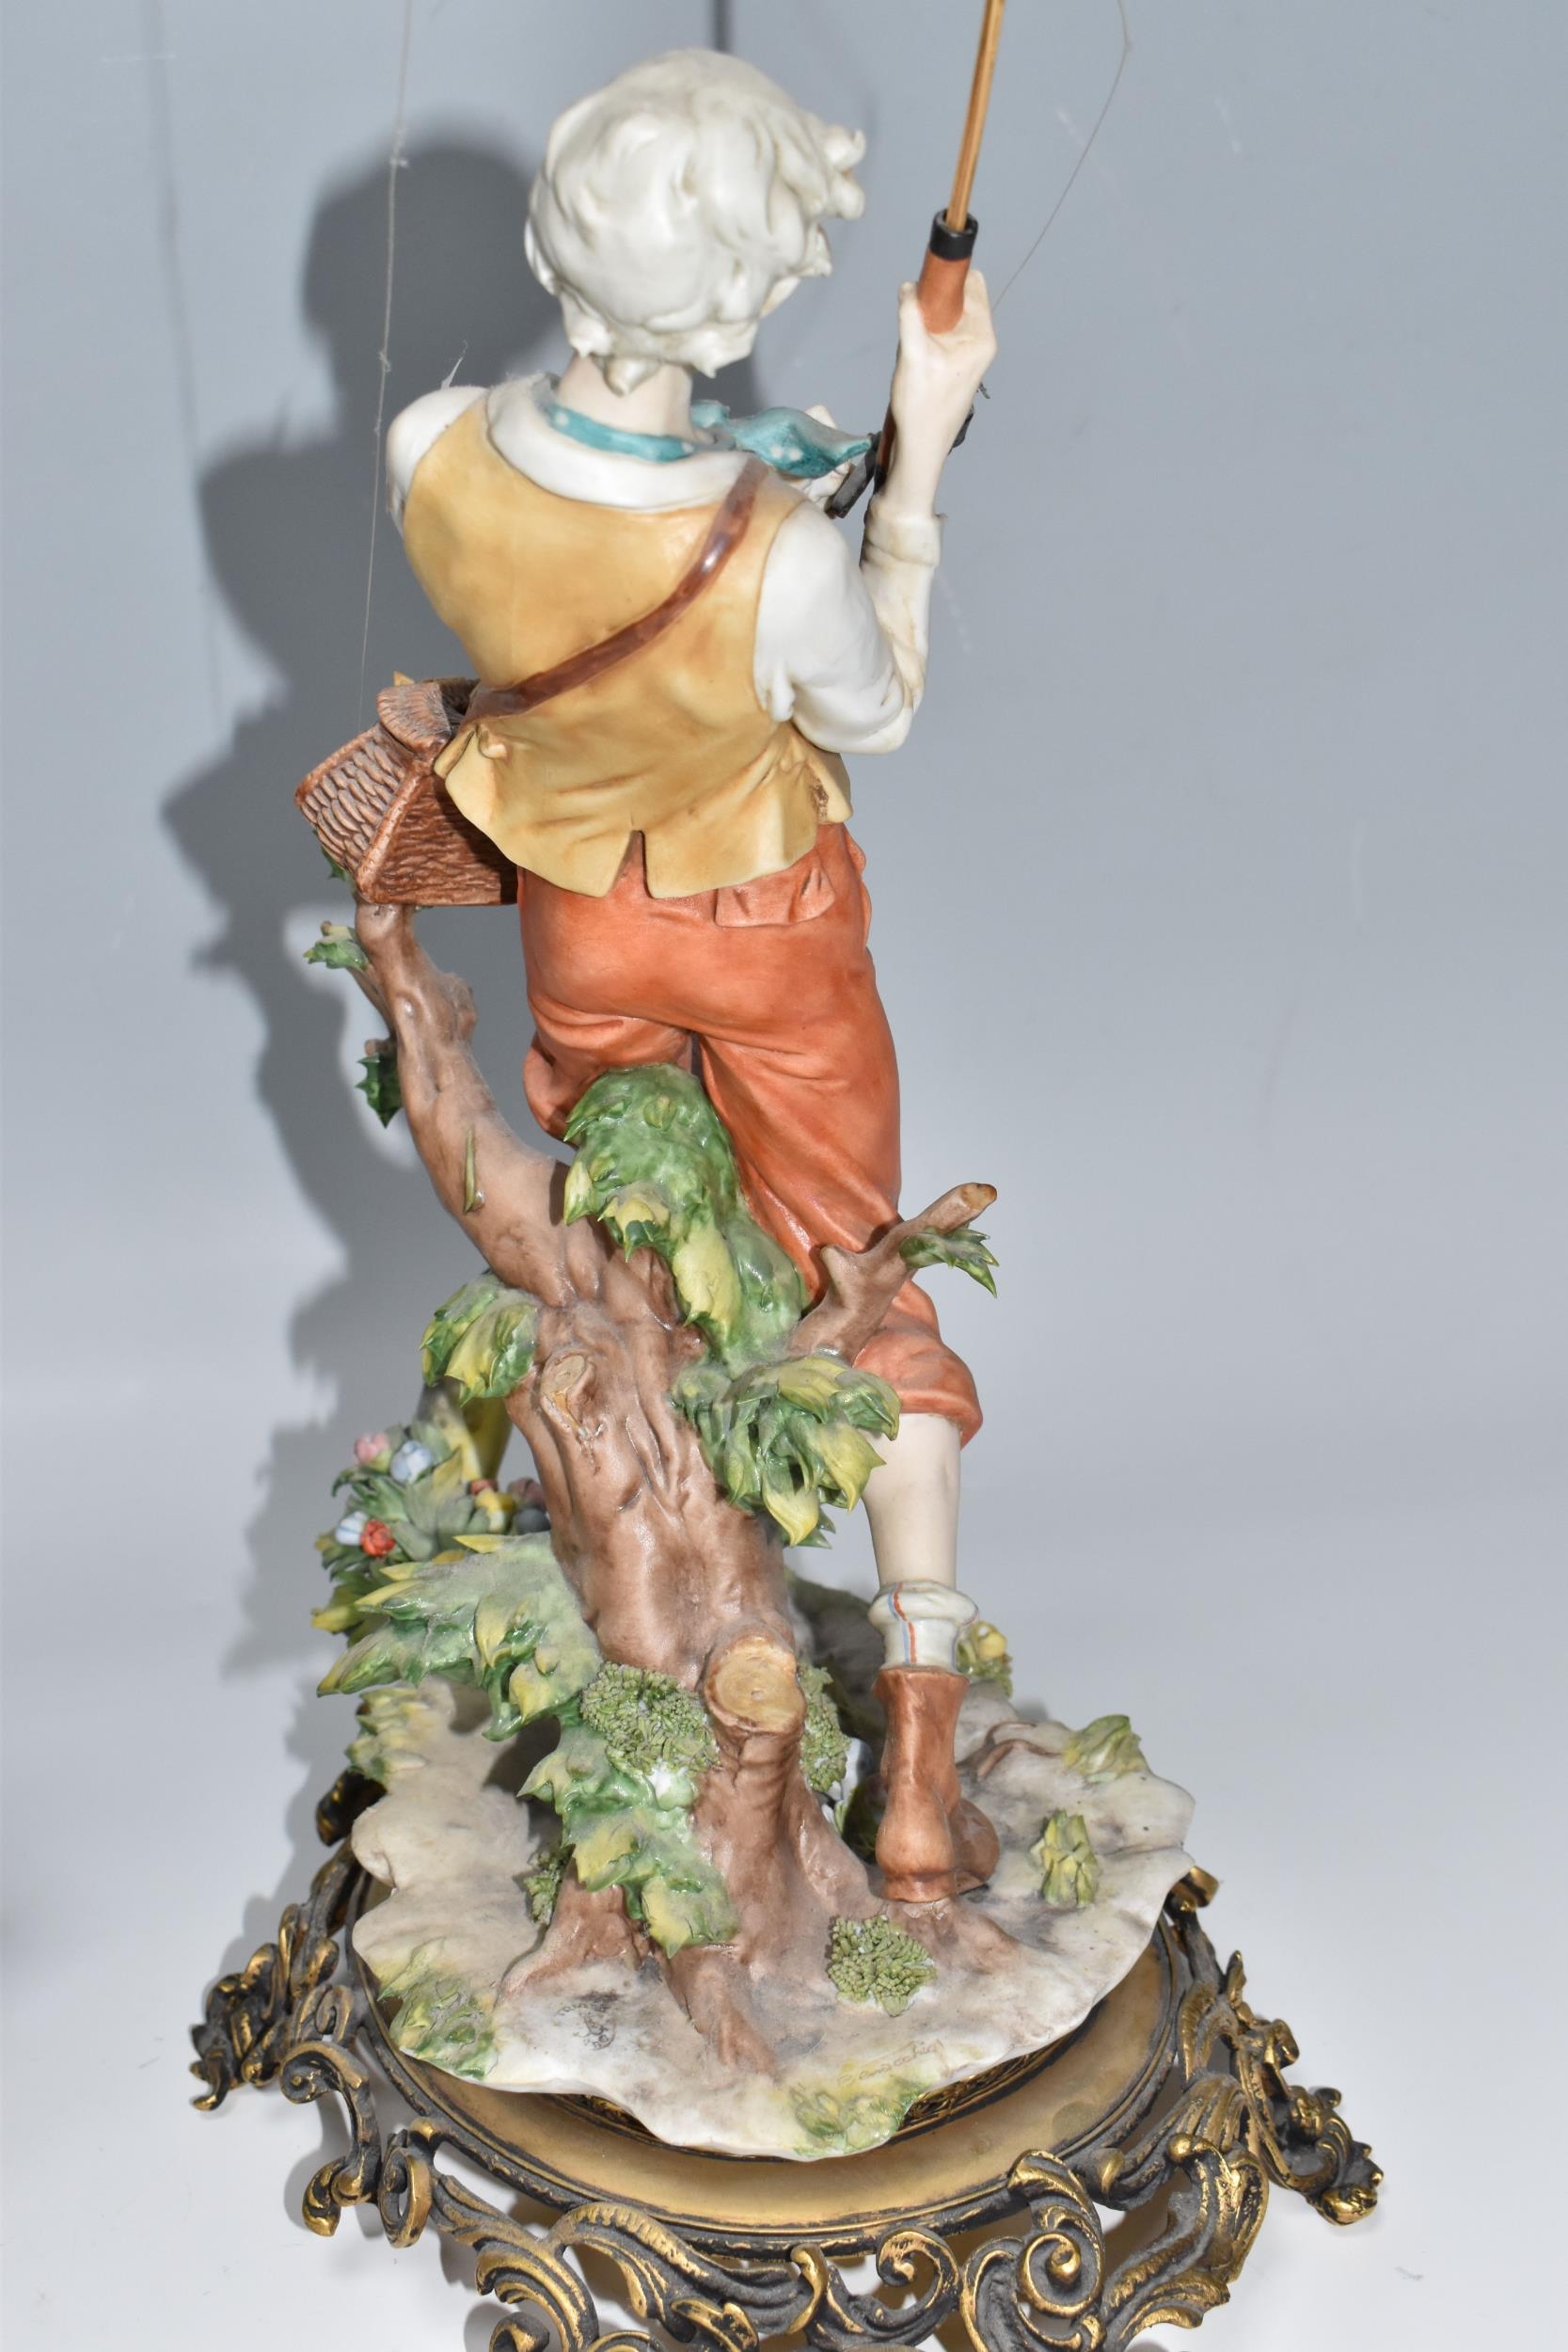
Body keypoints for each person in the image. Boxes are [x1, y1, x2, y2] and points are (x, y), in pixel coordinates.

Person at [386, 49, 999, 1901]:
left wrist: (754, 467)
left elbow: (572, 530)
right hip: (766, 933)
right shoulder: (775, 557)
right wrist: (917, 453)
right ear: (737, 306)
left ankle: (661, 1624)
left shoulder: (427, 447)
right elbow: (877, 705)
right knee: (860, 1273)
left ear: (549, 244)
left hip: (579, 927)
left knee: (639, 1242)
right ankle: (915, 1762)